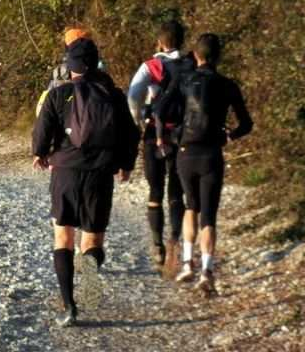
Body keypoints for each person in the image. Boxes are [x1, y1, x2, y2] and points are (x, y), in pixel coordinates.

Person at [33, 38, 140, 326]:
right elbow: (131, 134)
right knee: (92, 238)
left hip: (65, 171)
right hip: (100, 173)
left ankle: (69, 306)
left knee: (63, 237)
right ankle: (90, 282)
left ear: (70, 66)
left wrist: (40, 154)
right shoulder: (114, 96)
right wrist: (126, 165)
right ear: (96, 62)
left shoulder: (59, 94)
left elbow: (42, 130)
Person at [154, 33, 253, 291]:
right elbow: (247, 123)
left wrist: (165, 136)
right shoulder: (228, 85)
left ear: (196, 55)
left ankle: (187, 263)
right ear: (218, 57)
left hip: (186, 152)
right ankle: (207, 271)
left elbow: (161, 110)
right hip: (212, 154)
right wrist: (230, 134)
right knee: (208, 215)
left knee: (190, 206)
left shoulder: (183, 79)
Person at [127, 21, 195, 268]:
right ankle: (175, 240)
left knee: (155, 191)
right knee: (177, 192)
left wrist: (138, 121)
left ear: (159, 42)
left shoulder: (150, 66)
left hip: (154, 136)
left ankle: (157, 245)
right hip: (183, 136)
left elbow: (133, 96)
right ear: (182, 41)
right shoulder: (191, 65)